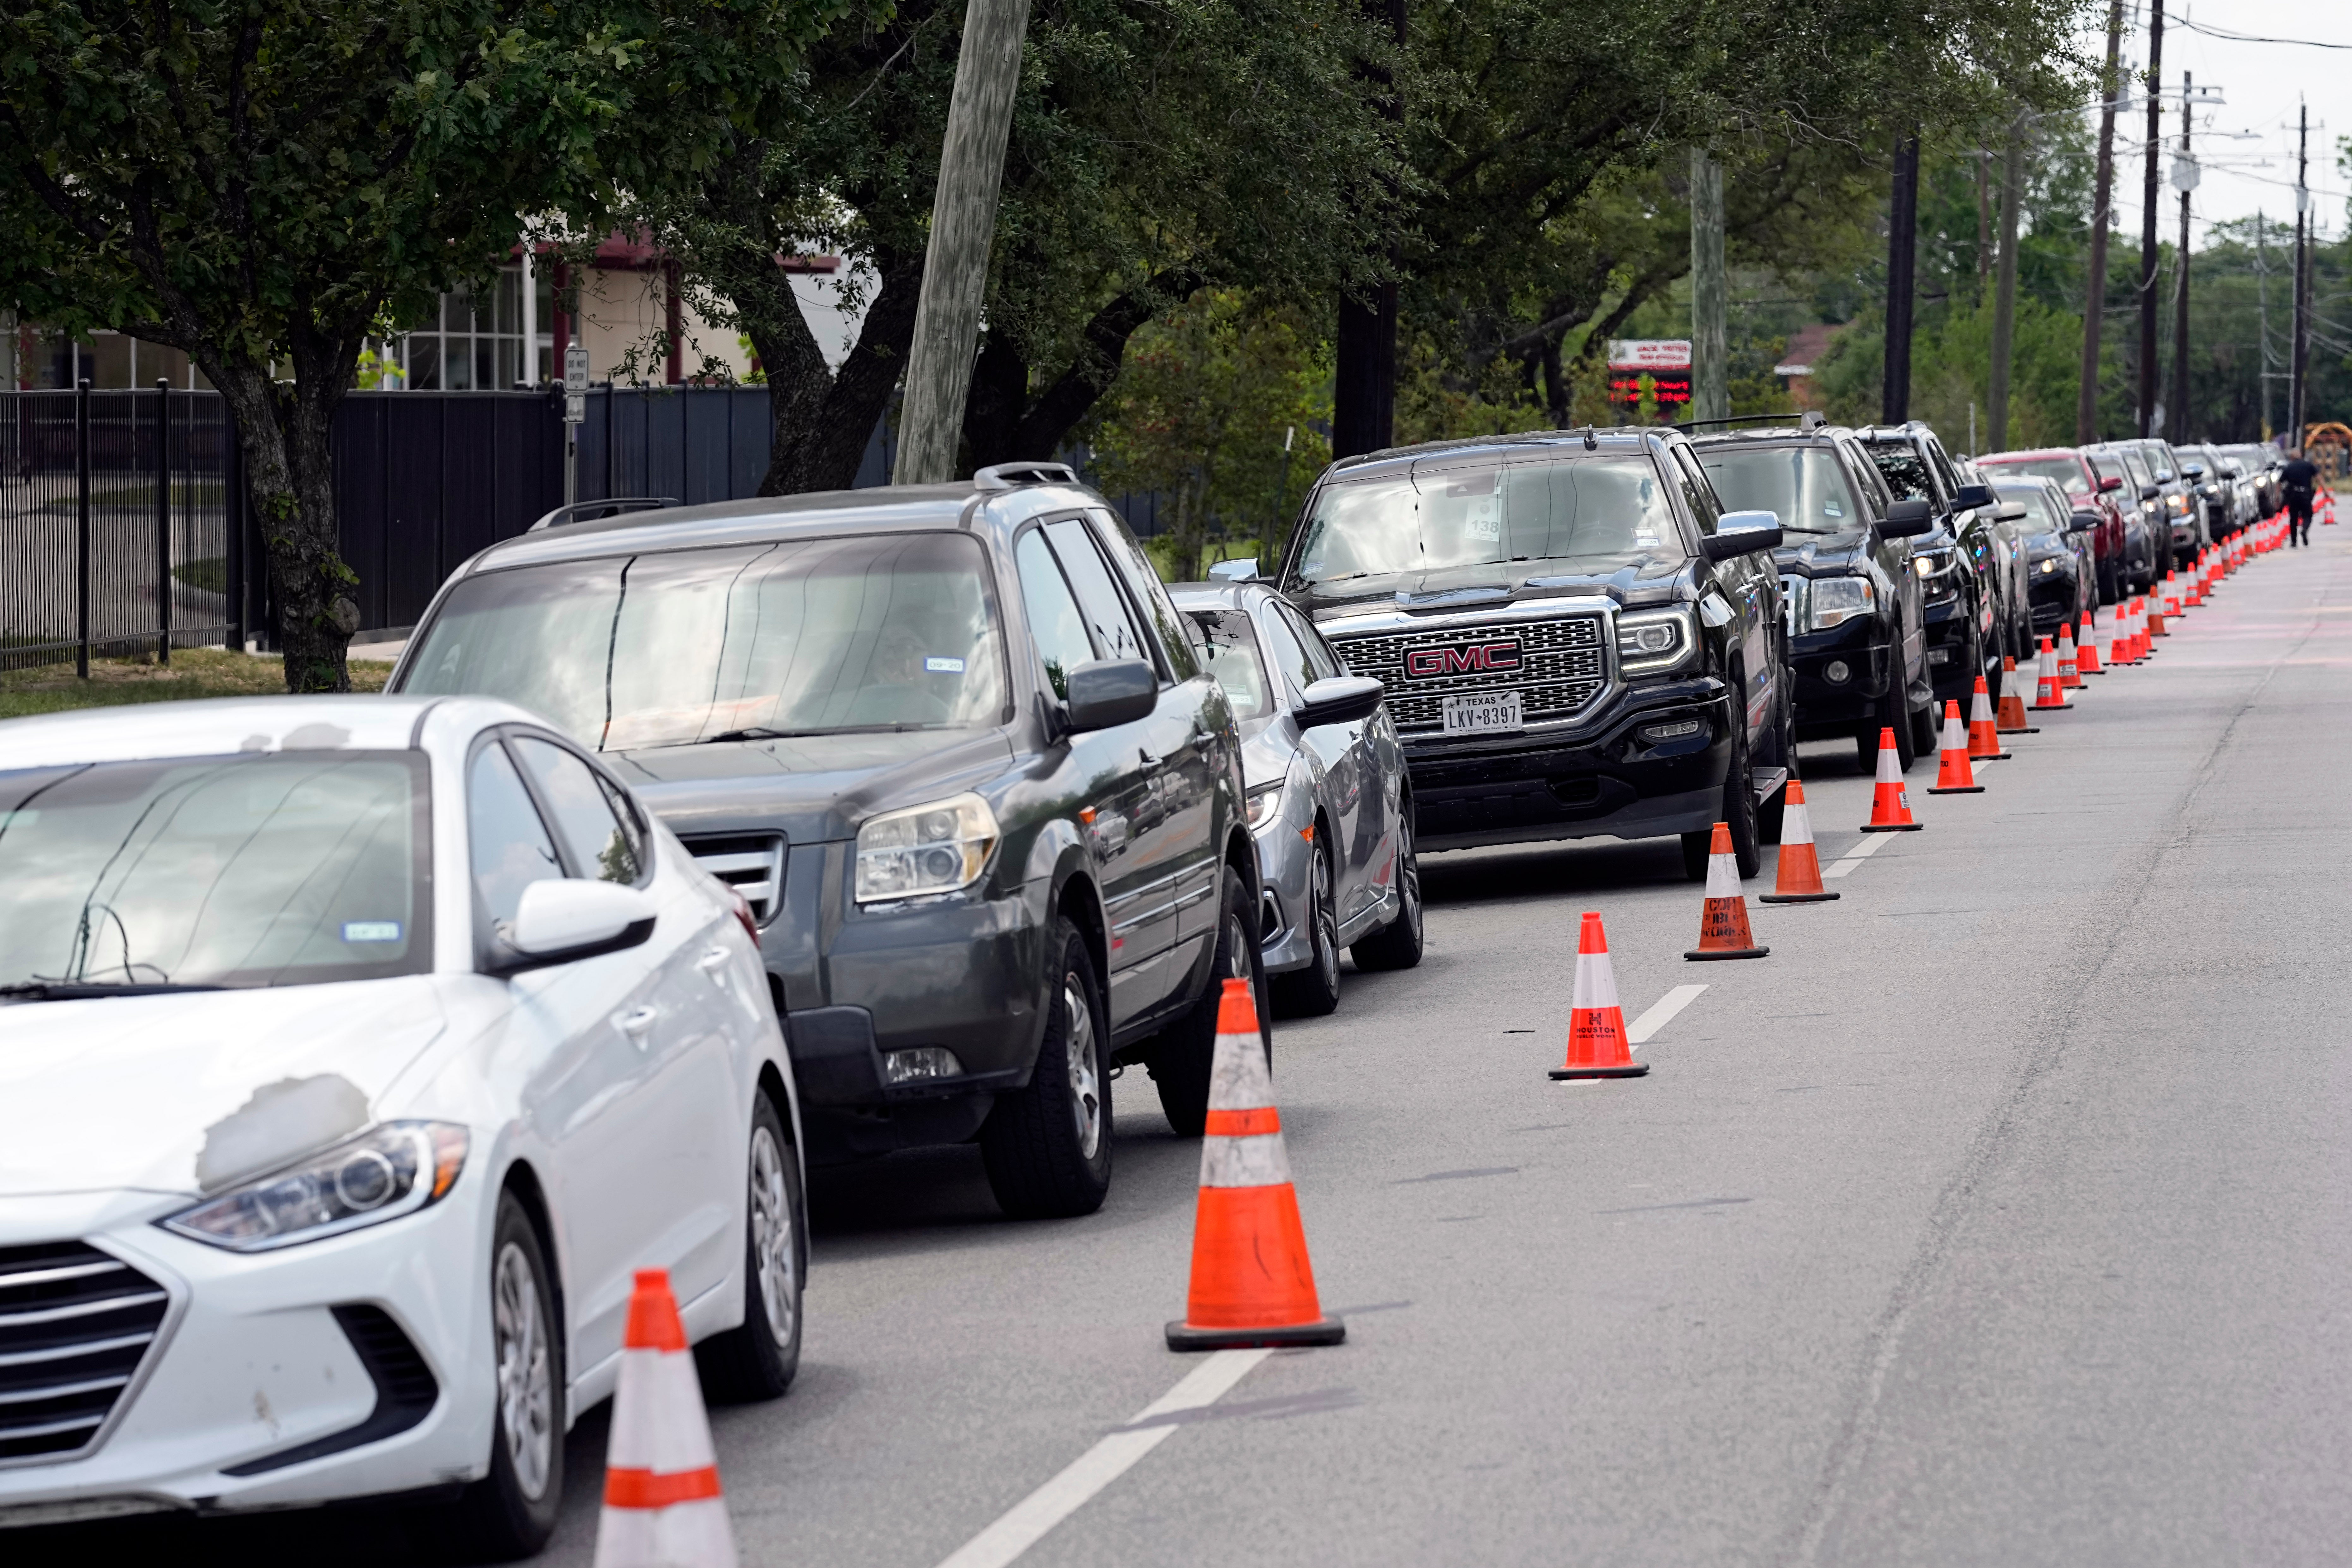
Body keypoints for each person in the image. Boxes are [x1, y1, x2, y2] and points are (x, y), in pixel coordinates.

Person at [2281, 447, 2320, 547]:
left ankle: (2294, 542)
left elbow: (2280, 482)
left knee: (2293, 519)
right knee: (2308, 515)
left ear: (2292, 458)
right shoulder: (2308, 465)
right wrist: (2325, 491)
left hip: (2293, 496)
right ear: (2301, 456)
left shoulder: (2289, 467)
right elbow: (2319, 477)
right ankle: (2305, 529)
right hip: (2306, 495)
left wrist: (2279, 497)